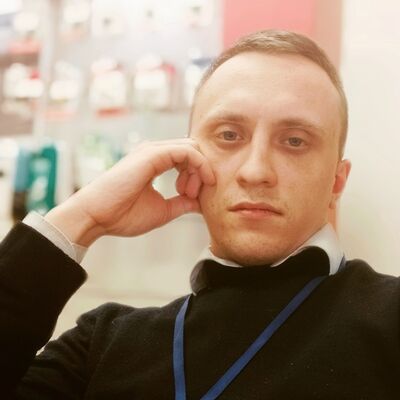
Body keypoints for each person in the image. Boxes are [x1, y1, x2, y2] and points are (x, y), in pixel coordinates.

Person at [0, 30, 399, 399]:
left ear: (336, 181)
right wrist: (82, 217)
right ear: (187, 157)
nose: (255, 171)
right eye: (229, 135)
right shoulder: (100, 344)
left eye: (295, 141)